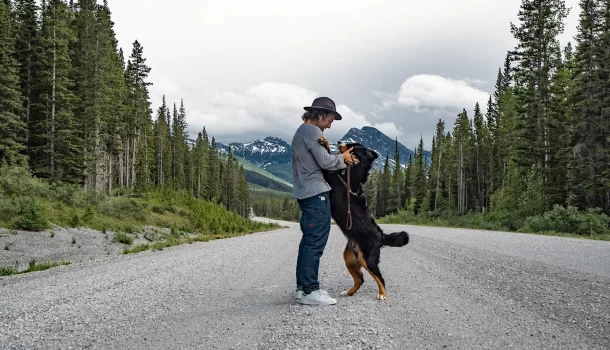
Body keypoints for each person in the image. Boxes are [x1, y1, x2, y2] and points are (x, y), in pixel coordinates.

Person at [290, 97, 359, 306]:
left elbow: (317, 160)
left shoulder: (302, 132)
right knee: (315, 243)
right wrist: (344, 159)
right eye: (329, 119)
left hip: (306, 192)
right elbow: (326, 162)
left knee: (308, 242)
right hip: (316, 193)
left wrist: (337, 157)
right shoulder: (312, 132)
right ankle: (311, 290)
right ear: (319, 115)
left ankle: (303, 288)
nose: (330, 124)